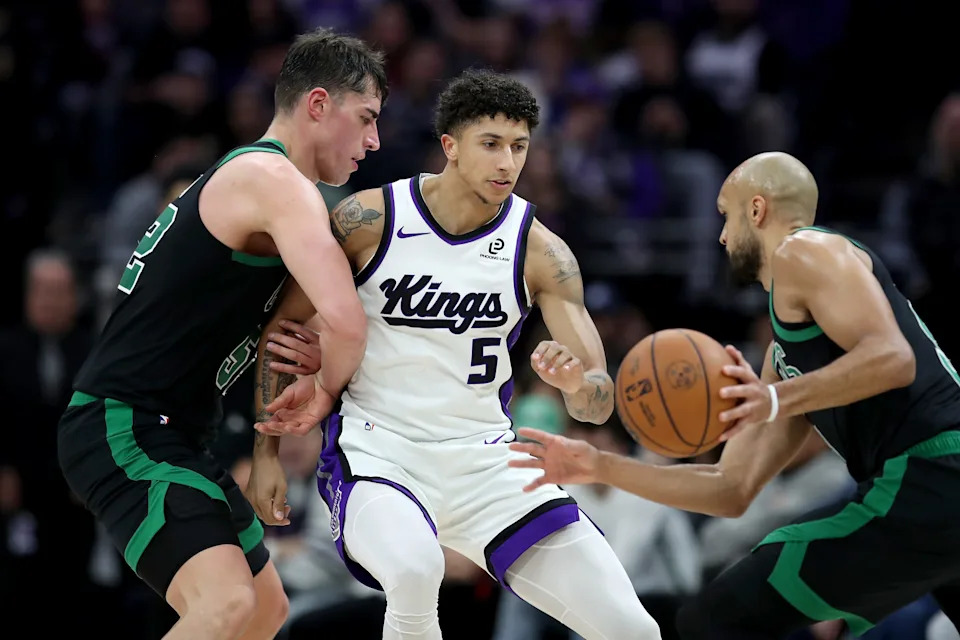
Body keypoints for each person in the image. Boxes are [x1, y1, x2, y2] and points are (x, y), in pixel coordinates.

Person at [252, 69, 662, 640]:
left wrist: (575, 385)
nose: (507, 163)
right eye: (490, 144)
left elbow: (598, 400)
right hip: (380, 450)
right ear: (450, 146)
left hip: (487, 460)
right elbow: (284, 328)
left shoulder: (540, 251)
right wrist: (267, 452)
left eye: (519, 147)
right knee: (418, 571)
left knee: (632, 629)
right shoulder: (370, 220)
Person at [510, 151, 960, 639]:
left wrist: (774, 400)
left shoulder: (803, 249)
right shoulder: (783, 356)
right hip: (931, 492)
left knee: (716, 619)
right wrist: (599, 465)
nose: (722, 235)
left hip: (931, 475)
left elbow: (894, 358)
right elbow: (731, 488)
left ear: (757, 210)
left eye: (726, 214)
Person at [56, 28, 387, 640]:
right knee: (226, 605)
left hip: (176, 431)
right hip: (126, 423)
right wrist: (319, 400)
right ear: (318, 105)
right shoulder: (274, 181)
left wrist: (265, 452)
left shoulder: (274, 189)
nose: (374, 140)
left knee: (266, 611)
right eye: (365, 118)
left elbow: (283, 336)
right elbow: (345, 321)